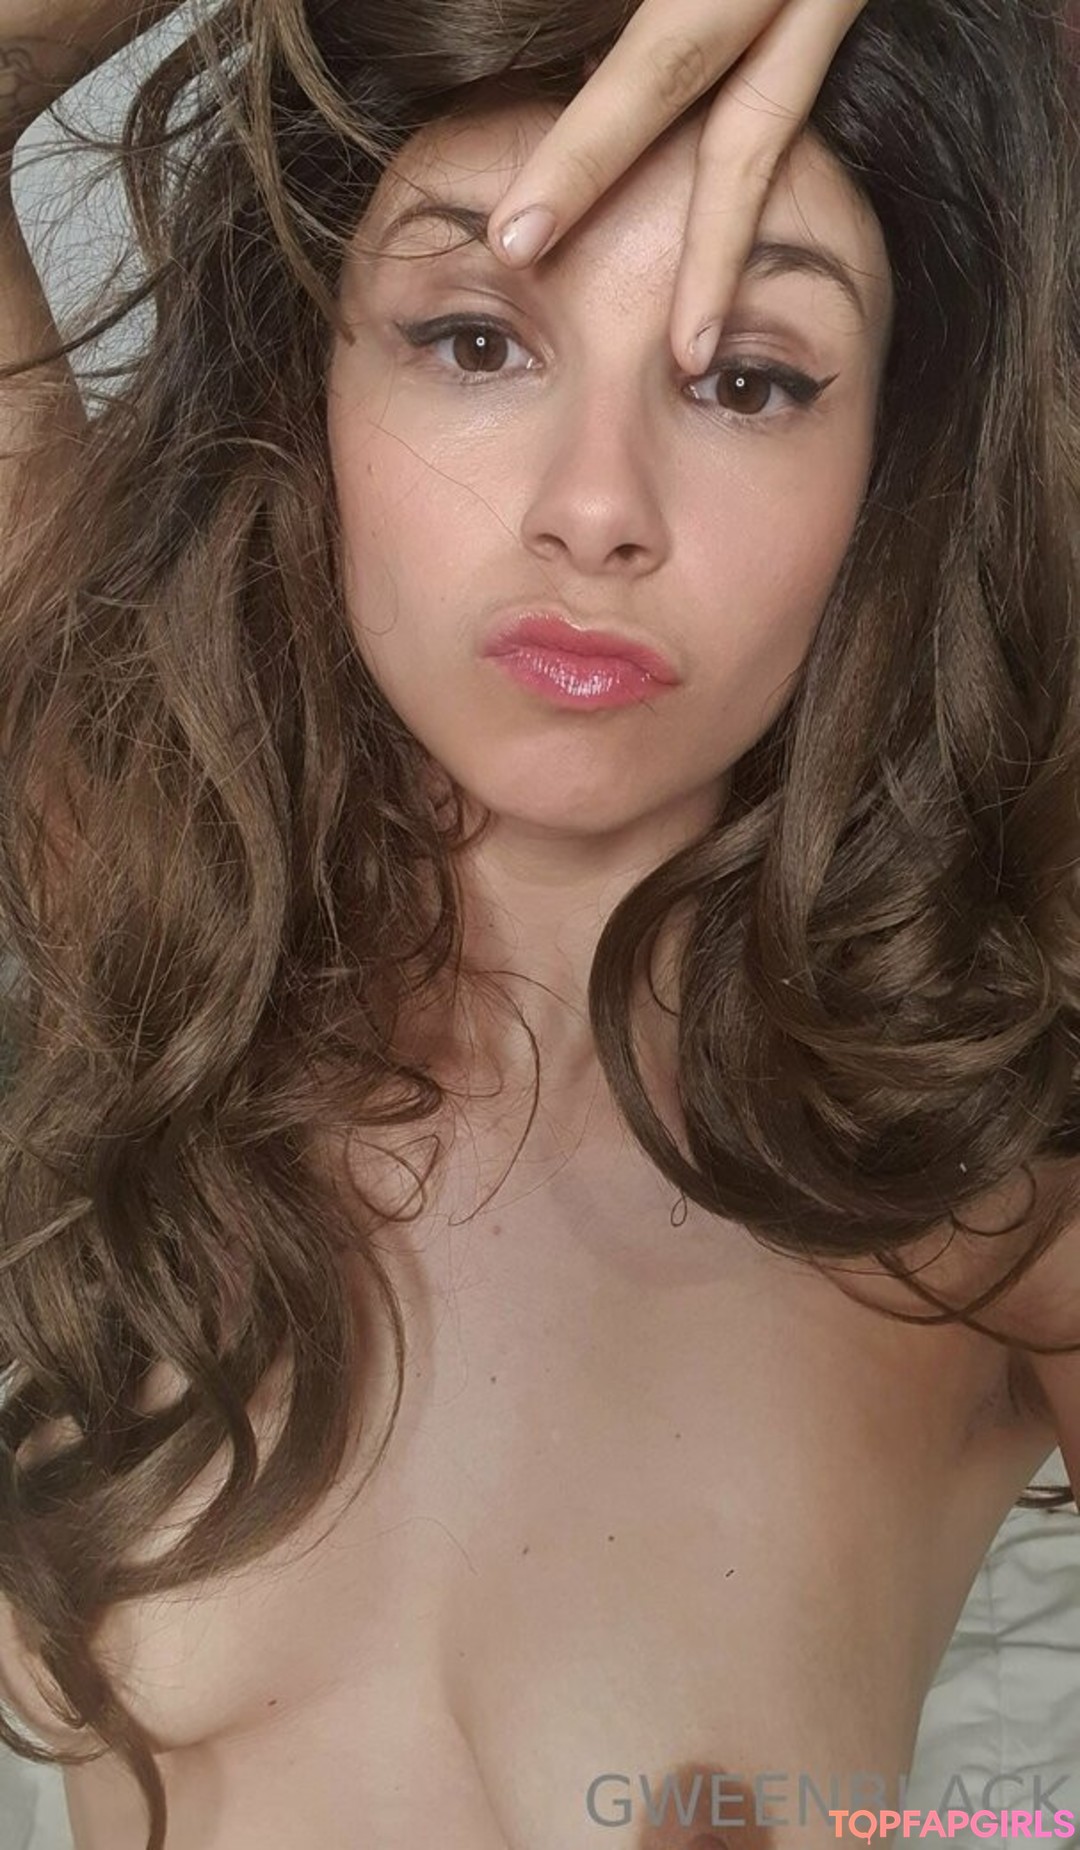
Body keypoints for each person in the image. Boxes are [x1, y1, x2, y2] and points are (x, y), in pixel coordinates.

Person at [0, 2, 1077, 1848]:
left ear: (893, 466)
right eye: (476, 339)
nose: (597, 510)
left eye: (750, 379)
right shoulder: (138, 875)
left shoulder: (983, 1184)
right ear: (310, 387)